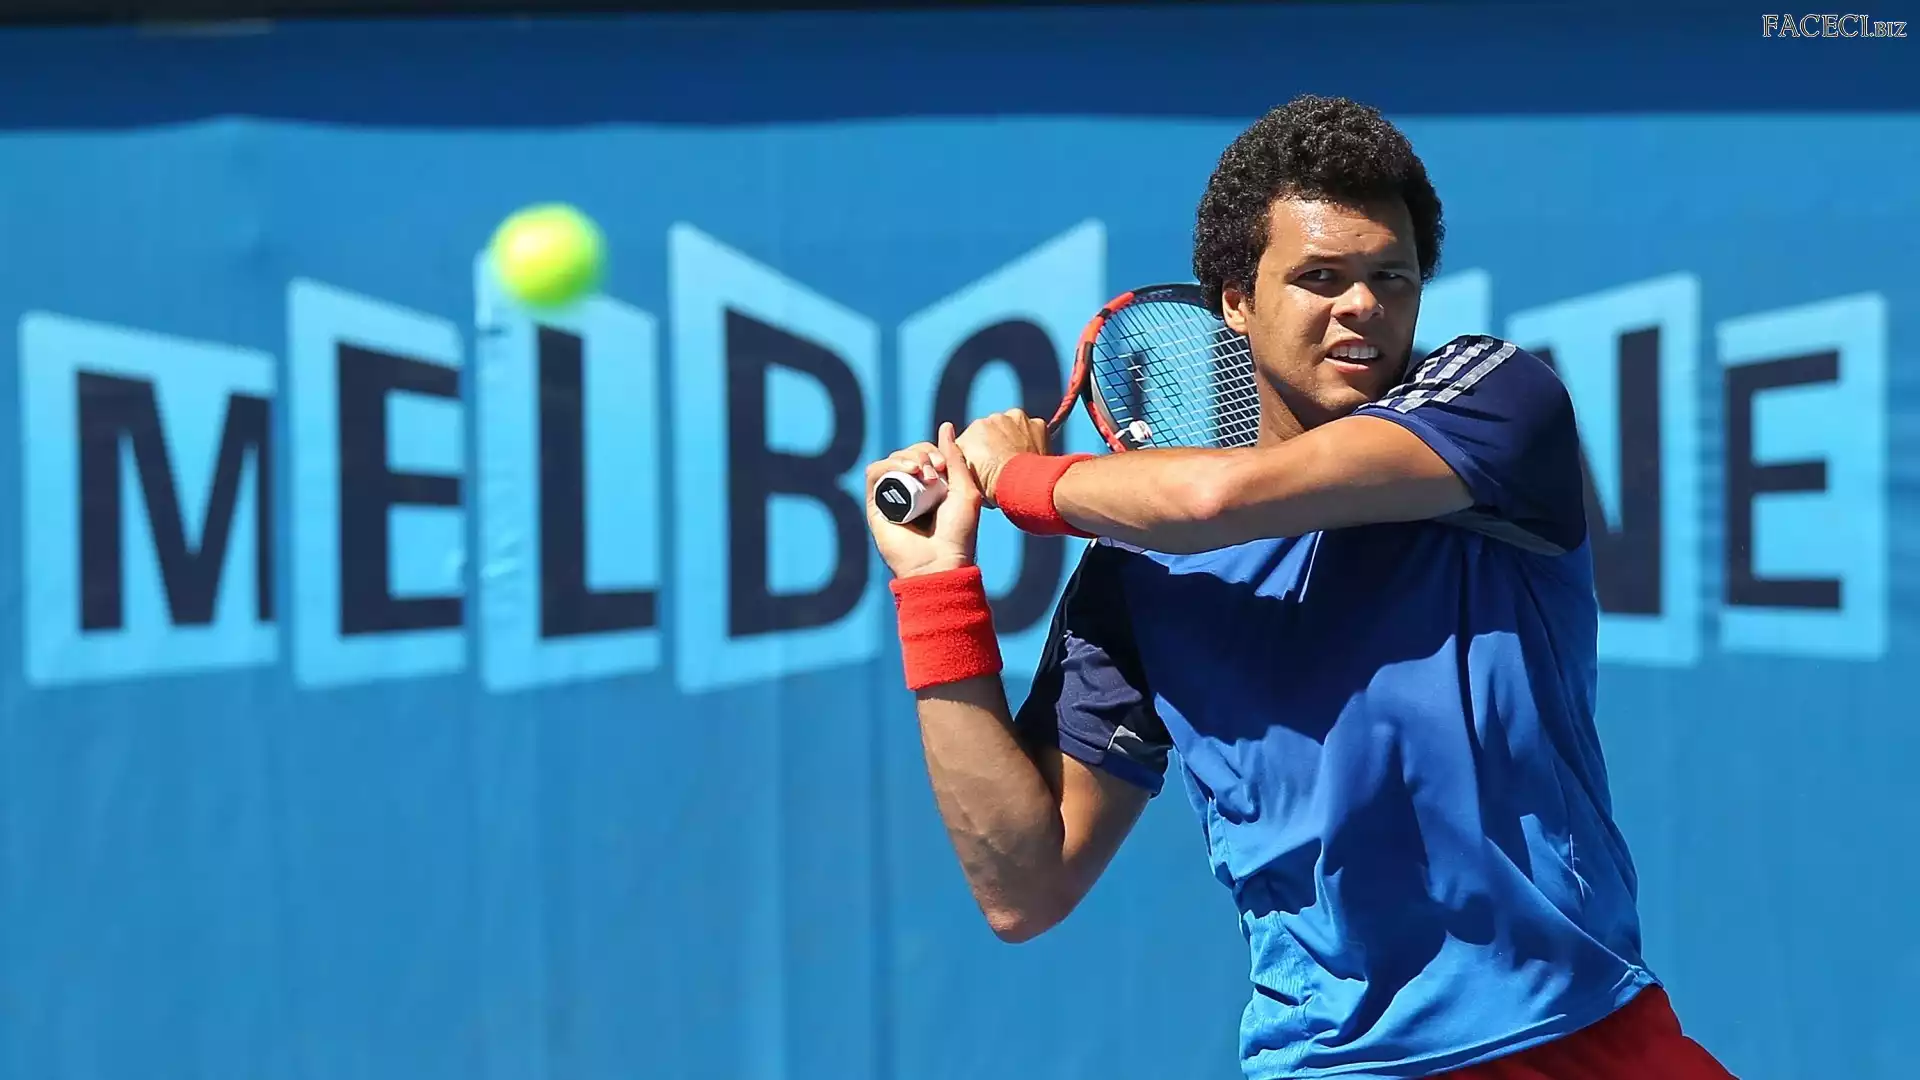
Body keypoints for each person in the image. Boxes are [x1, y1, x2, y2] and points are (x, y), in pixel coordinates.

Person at [864, 95, 1736, 1080]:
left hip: (1586, 1039)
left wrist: (1017, 477)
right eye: (1320, 277)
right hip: (1333, 1063)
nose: (1361, 305)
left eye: (1390, 276)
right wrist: (935, 588)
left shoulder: (1497, 402)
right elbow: (1024, 886)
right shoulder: (1139, 578)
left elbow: (1214, 498)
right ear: (1235, 302)